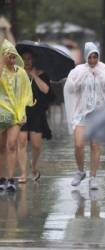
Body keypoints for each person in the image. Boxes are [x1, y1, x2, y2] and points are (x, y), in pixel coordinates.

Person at [64, 42, 105, 190]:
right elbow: (70, 88)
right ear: (86, 56)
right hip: (81, 113)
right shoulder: (78, 70)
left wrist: (101, 77)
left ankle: (93, 177)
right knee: (78, 144)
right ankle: (80, 171)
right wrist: (80, 78)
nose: (92, 61)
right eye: (90, 57)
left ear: (98, 56)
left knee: (95, 145)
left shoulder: (104, 69)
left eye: (95, 57)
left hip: (98, 113)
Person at [0, 40, 33, 191]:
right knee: (1, 147)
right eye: (9, 56)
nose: (12, 59)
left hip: (15, 114)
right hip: (1, 114)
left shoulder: (20, 73)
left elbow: (26, 93)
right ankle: (1, 178)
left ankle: (11, 178)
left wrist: (23, 112)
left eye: (14, 56)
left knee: (12, 145)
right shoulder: (1, 71)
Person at [17, 49, 52, 183]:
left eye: (29, 58)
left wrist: (34, 76)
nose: (27, 61)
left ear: (33, 60)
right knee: (21, 142)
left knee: (37, 145)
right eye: (24, 58)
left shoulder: (41, 74)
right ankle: (23, 174)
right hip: (21, 112)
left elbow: (46, 90)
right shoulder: (17, 73)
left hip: (37, 113)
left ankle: (34, 166)